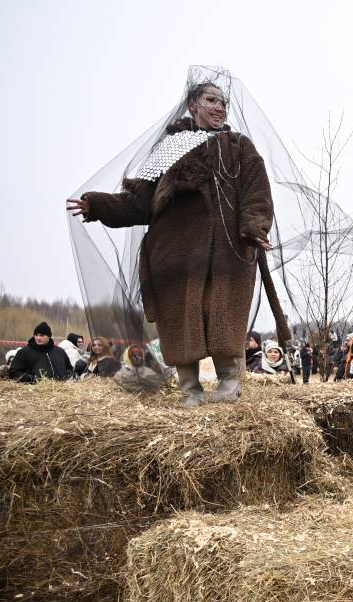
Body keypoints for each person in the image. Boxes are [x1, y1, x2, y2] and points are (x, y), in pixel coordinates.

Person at [68, 80, 275, 407]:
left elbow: (257, 192)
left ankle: (229, 386)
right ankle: (189, 391)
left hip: (227, 252)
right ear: (193, 105)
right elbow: (138, 203)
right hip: (174, 256)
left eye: (223, 102)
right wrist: (98, 205)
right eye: (211, 100)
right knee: (182, 320)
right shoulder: (168, 149)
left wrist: (253, 226)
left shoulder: (238, 146)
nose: (219, 107)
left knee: (221, 313)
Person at [8, 322, 73, 383]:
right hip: (34, 391)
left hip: (60, 391)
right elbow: (13, 372)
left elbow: (69, 369)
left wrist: (64, 376)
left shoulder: (59, 351)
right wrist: (33, 379)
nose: (38, 338)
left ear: (49, 336)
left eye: (42, 335)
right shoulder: (24, 352)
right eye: (36, 335)